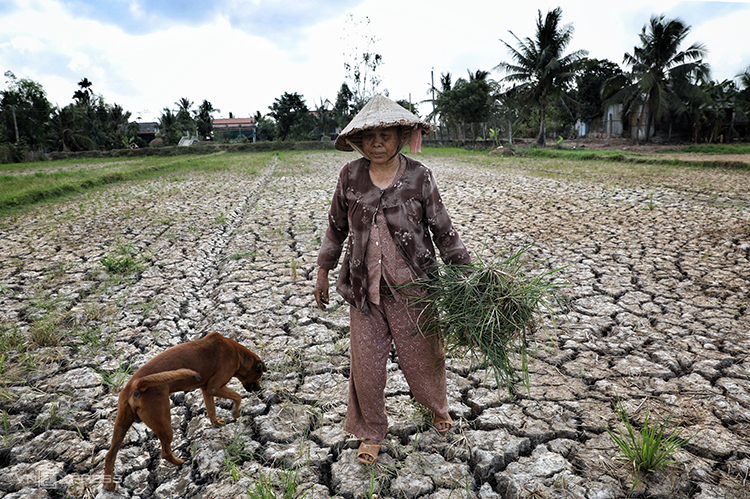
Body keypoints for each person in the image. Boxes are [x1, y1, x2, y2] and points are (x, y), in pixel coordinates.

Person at [313, 94, 471, 465]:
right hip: (362, 289)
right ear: (358, 141)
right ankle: (371, 431)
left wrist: (469, 278)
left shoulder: (419, 176)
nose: (378, 142)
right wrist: (323, 270)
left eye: (386, 134)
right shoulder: (350, 175)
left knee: (424, 357)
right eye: (370, 136)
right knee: (366, 365)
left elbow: (443, 230)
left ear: (401, 135)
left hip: (415, 287)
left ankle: (437, 408)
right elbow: (335, 227)